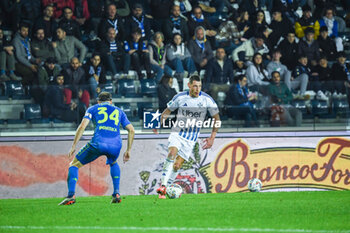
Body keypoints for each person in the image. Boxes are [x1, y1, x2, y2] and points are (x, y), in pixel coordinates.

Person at [58, 92, 135, 205]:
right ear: (111, 101)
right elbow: (131, 130)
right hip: (116, 145)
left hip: (99, 143)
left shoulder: (92, 108)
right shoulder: (119, 111)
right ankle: (117, 193)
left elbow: (82, 126)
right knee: (113, 162)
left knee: (74, 165)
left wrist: (74, 145)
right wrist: (128, 150)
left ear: (98, 101)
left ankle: (71, 196)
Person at [155, 75, 220, 199]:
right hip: (177, 133)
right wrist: (158, 124)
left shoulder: (207, 100)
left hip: (191, 139)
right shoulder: (180, 97)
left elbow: (216, 118)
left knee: (177, 166)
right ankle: (163, 186)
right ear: (189, 85)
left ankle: (167, 188)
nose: (197, 89)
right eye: (195, 86)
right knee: (172, 152)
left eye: (199, 86)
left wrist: (212, 138)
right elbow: (168, 110)